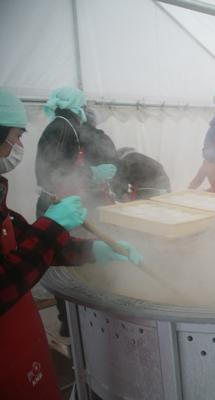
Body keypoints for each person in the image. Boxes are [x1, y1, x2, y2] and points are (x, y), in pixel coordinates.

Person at [0, 89, 141, 399]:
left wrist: (94, 250)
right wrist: (52, 225)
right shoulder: (60, 128)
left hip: (20, 335)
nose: (18, 148)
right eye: (15, 137)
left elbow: (23, 240)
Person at [35, 87, 118, 218]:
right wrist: (92, 173)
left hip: (62, 199)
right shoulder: (63, 127)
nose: (84, 111)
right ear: (76, 106)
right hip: (56, 202)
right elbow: (57, 172)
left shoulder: (65, 125)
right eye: (83, 106)